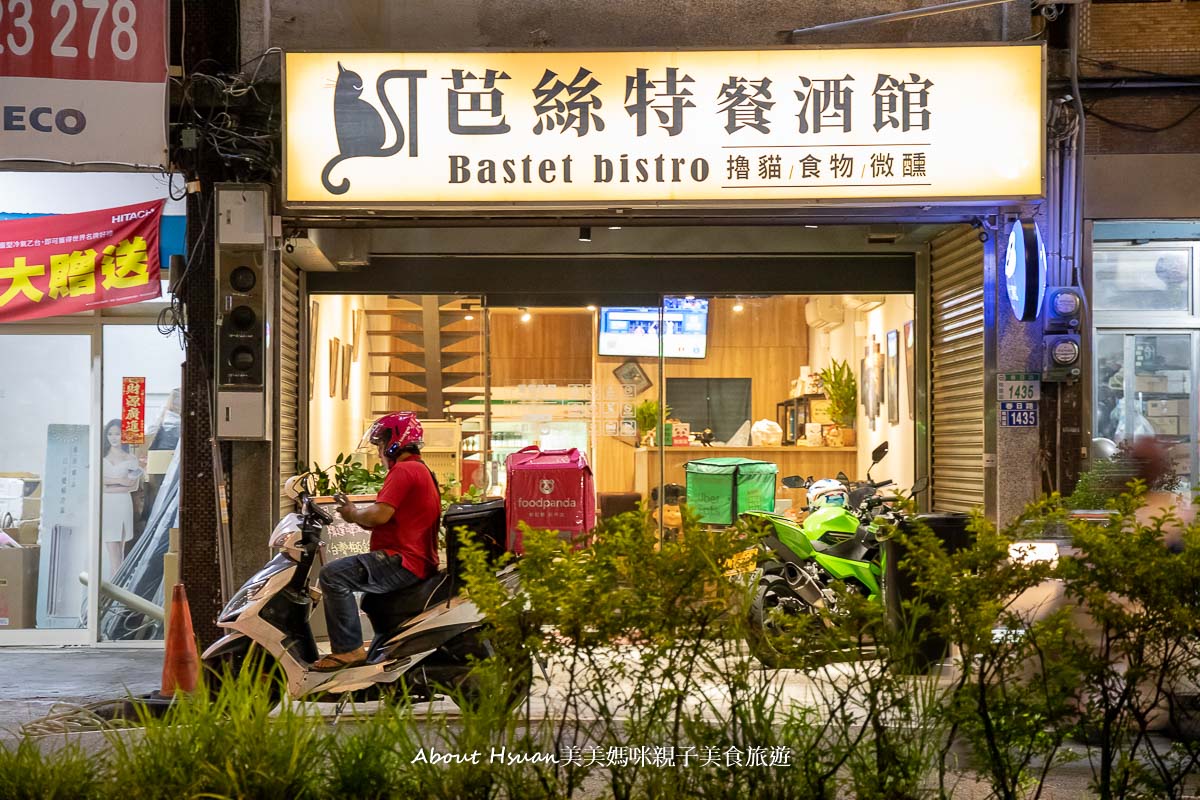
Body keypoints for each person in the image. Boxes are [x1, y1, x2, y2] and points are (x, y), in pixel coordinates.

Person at [312, 412, 441, 671]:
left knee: (332, 575)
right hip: (416, 560)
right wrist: (356, 516)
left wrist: (353, 514)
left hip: (403, 559)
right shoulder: (419, 469)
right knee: (371, 601)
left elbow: (380, 514)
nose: (379, 450)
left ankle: (348, 650)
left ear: (394, 442)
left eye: (380, 442)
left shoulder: (404, 471)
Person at [102, 419, 143, 579]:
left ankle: (116, 593)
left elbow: (132, 486)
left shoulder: (131, 459)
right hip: (107, 506)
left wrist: (109, 484)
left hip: (123, 505)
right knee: (113, 554)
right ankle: (115, 593)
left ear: (123, 436)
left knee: (121, 551)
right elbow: (99, 485)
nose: (113, 437)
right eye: (110, 434)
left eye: (117, 434)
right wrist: (120, 481)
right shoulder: (101, 457)